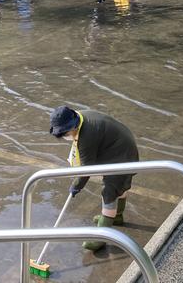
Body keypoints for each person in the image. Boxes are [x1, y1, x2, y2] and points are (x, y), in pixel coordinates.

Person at [49, 106, 139, 252]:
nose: (64, 136)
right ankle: (117, 216)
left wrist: (76, 186)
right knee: (119, 186)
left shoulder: (86, 136)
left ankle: (101, 238)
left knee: (109, 192)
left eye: (65, 133)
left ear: (73, 126)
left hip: (122, 156)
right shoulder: (80, 117)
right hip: (120, 146)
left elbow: (86, 170)